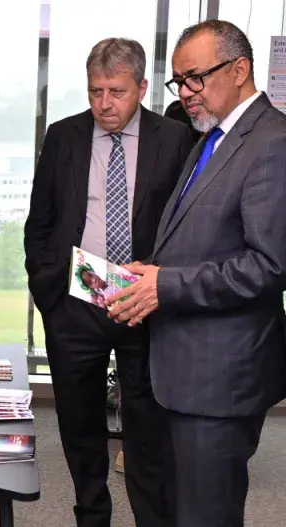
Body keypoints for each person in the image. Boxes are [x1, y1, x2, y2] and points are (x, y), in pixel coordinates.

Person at [107, 20, 286, 527]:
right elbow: (203, 236)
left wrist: (164, 284)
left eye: (195, 79)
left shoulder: (272, 143)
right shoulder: (213, 137)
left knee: (207, 514)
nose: (185, 93)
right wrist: (153, 269)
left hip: (220, 378)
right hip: (185, 371)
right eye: (179, 82)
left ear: (240, 69)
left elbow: (269, 266)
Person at [24, 38, 194, 527]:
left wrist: (166, 289)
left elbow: (186, 224)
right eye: (96, 91)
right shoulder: (63, 136)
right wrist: (48, 296)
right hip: (76, 305)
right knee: (80, 425)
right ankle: (91, 515)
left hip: (144, 303)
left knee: (147, 429)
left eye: (117, 92)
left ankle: (151, 519)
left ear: (142, 87)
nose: (104, 104)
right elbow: (41, 221)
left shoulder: (174, 138)